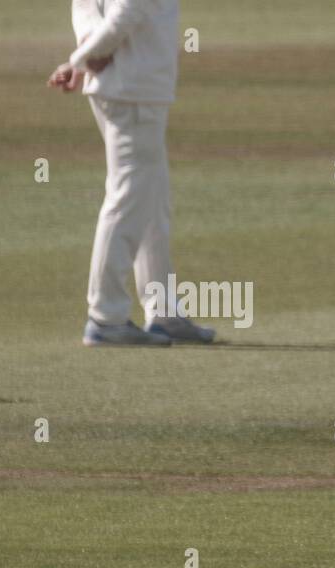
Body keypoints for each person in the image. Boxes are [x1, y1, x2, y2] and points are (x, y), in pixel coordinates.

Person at [48, 0, 214, 346]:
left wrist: (82, 58)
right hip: (134, 88)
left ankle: (164, 311)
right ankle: (106, 316)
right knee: (128, 200)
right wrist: (83, 59)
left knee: (150, 202)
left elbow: (90, 10)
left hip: (124, 84)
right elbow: (127, 12)